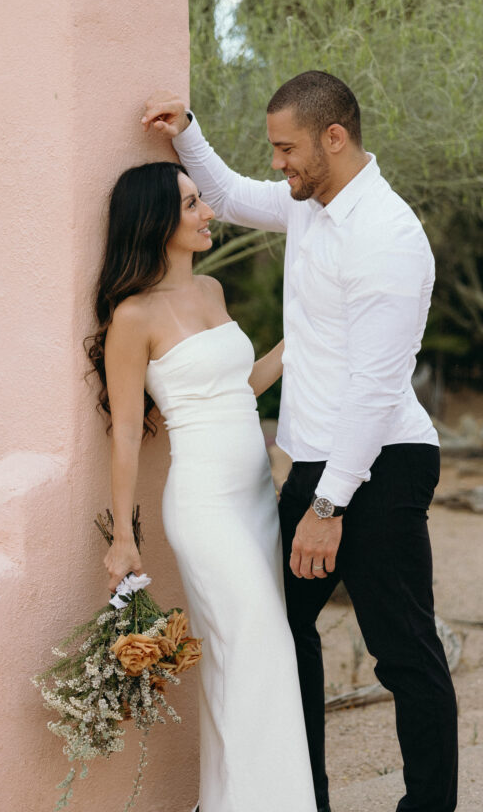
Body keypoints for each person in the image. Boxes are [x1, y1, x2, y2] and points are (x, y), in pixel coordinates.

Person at [142, 72, 459, 812]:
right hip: (321, 463)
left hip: (379, 463)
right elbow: (225, 195)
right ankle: (301, 797)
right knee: (282, 631)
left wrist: (327, 505)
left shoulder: (387, 236)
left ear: (334, 138)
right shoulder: (312, 206)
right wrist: (184, 129)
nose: (278, 162)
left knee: (403, 651)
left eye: (286, 148)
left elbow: (375, 392)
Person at [87, 160, 317, 812]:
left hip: (253, 499)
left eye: (200, 201)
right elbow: (127, 432)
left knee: (243, 662)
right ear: (157, 220)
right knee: (258, 650)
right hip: (204, 507)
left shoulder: (212, 291)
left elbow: (235, 392)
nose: (206, 212)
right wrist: (124, 539)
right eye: (191, 204)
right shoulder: (130, 318)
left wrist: (304, 338)